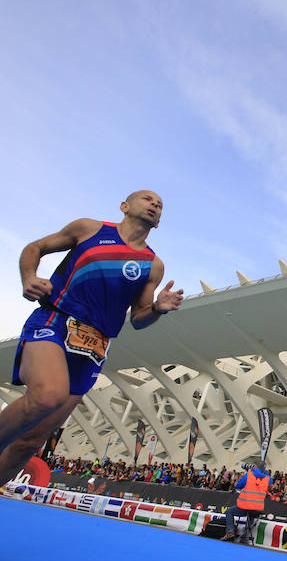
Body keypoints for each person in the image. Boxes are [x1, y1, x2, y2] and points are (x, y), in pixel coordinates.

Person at [0, 191, 182, 486]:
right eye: (148, 199)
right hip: (55, 321)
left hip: (93, 348)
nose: (155, 205)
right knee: (48, 395)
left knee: (29, 443)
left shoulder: (152, 265)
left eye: (160, 205)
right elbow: (36, 246)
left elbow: (139, 318)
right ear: (125, 206)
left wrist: (158, 309)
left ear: (159, 221)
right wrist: (29, 277)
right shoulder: (90, 229)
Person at [223, 461, 271, 542]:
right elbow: (269, 481)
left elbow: (238, 485)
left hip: (246, 505)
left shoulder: (249, 475)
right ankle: (244, 536)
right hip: (258, 508)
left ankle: (230, 531)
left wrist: (249, 472)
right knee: (251, 515)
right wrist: (263, 472)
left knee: (229, 511)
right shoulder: (267, 478)